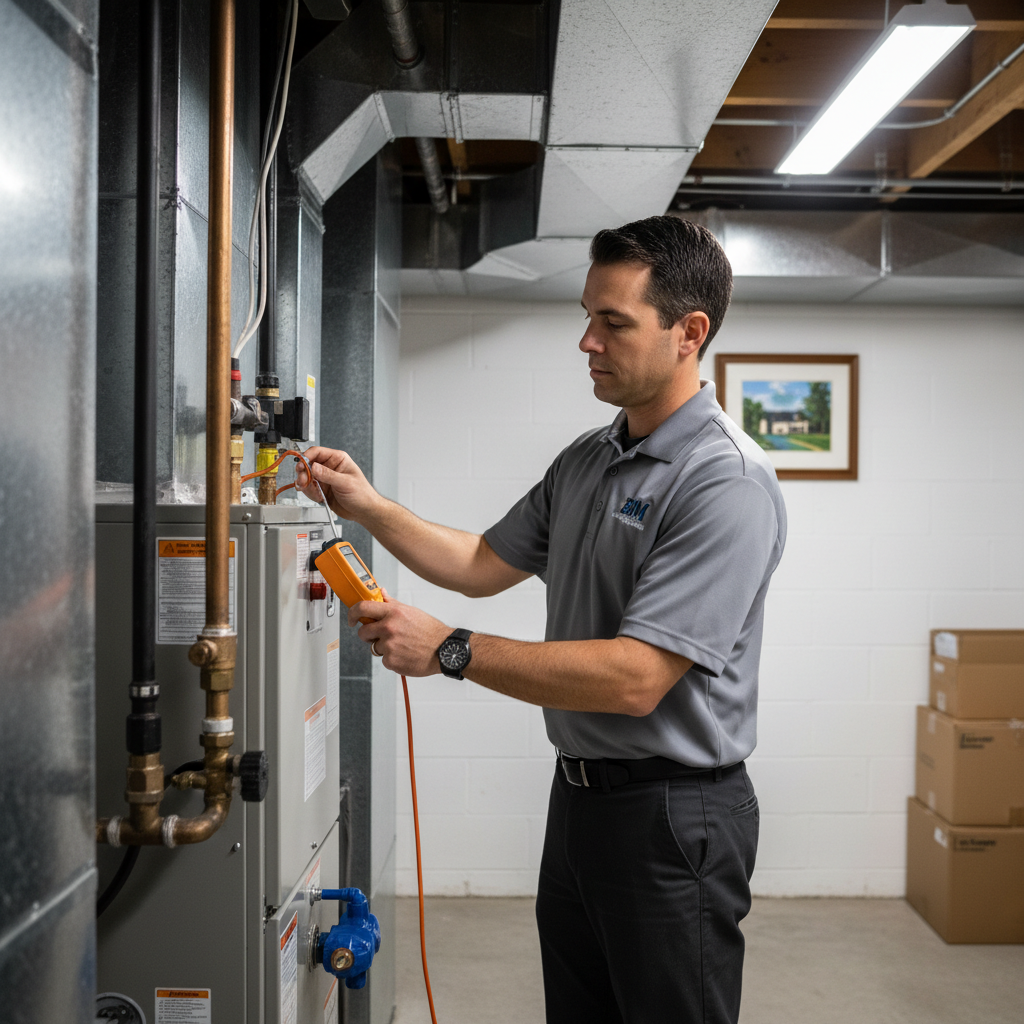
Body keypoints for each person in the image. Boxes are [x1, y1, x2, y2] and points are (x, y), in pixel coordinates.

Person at [297, 215, 787, 1024]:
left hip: (675, 814)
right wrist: (367, 505)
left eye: (613, 322)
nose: (587, 342)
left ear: (689, 332)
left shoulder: (723, 482)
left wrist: (449, 649)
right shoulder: (591, 457)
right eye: (587, 316)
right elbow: (480, 563)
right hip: (583, 802)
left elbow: (636, 680)